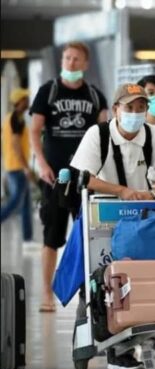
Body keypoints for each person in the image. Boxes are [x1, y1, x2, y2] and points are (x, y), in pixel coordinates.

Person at [70, 83, 155, 369]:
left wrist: (154, 193)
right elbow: (83, 176)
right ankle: (100, 342)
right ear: (116, 109)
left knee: (137, 280)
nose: (135, 113)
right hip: (100, 214)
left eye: (140, 107)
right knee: (99, 280)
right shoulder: (99, 134)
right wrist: (120, 191)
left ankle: (128, 346)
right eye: (129, 107)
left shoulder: (152, 135)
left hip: (139, 219)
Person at [29, 41, 108, 312]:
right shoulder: (47, 92)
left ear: (85, 64)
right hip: (54, 176)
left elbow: (103, 135)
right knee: (51, 236)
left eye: (76, 59)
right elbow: (34, 131)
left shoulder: (95, 96)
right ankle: (47, 294)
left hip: (84, 178)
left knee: (88, 234)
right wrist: (41, 162)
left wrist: (99, 172)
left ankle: (89, 293)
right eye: (67, 58)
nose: (70, 63)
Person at [1, 88, 33, 242]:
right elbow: (15, 144)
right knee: (15, 202)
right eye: (25, 99)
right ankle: (27, 238)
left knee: (25, 203)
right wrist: (26, 168)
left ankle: (27, 239)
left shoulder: (10, 118)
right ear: (19, 102)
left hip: (13, 165)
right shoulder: (16, 119)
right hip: (17, 167)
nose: (28, 102)